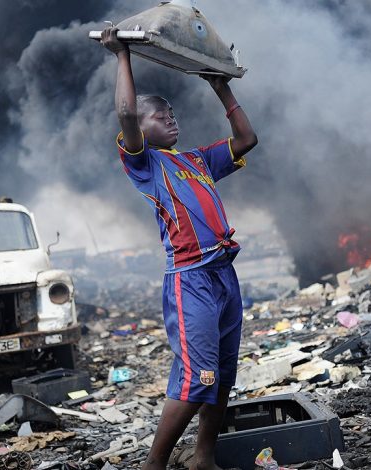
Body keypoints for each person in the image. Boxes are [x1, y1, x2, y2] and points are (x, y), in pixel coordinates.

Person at [101, 28, 258, 470]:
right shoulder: (144, 163)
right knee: (198, 377)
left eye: (171, 114)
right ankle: (154, 465)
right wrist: (122, 55)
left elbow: (247, 140)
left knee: (222, 376)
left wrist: (221, 87)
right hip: (190, 280)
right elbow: (127, 113)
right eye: (159, 115)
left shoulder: (197, 161)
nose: (170, 119)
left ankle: (203, 457)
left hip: (224, 276)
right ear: (141, 129)